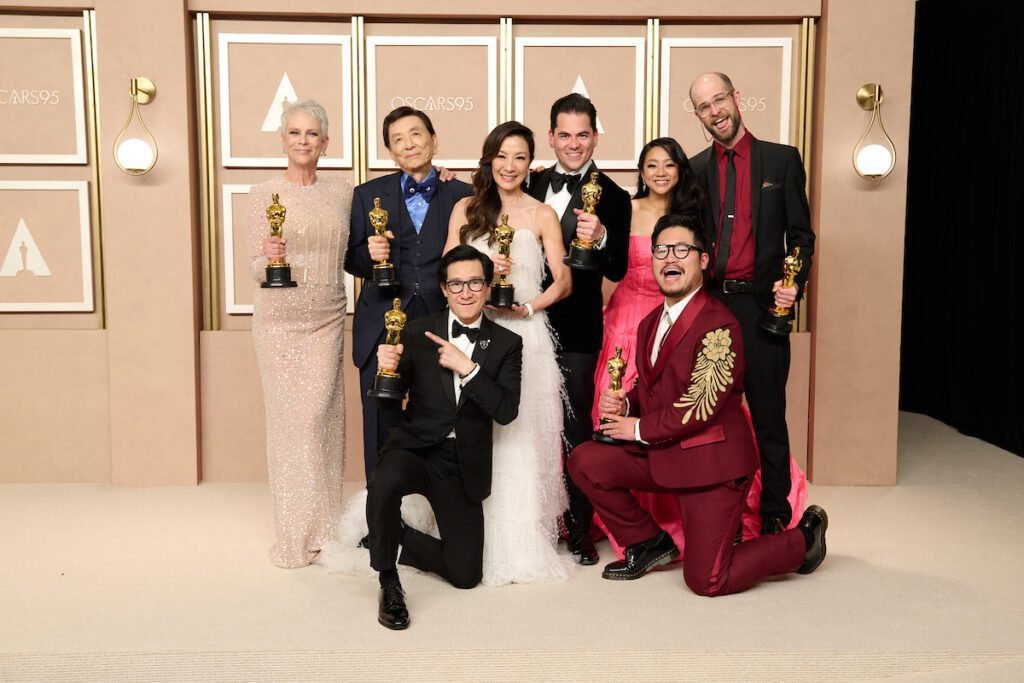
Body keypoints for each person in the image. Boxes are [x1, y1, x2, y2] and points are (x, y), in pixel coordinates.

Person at [569, 214, 828, 596]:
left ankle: (804, 541)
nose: (669, 258)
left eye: (681, 249)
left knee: (707, 580)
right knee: (585, 460)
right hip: (663, 453)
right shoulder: (649, 323)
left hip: (710, 464)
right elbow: (651, 386)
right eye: (661, 250)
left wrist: (635, 428)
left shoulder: (719, 324)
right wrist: (626, 405)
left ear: (704, 259)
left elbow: (701, 403)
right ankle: (649, 543)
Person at [445, 121, 575, 585]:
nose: (509, 166)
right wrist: (481, 269)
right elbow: (447, 269)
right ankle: (469, 531)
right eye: (502, 156)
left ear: (530, 163)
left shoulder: (542, 214)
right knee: (475, 433)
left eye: (519, 157)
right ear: (489, 159)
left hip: (525, 335)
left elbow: (564, 281)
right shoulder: (465, 207)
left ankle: (520, 537)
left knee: (521, 437)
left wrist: (526, 306)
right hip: (473, 333)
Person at [367, 245, 523, 629]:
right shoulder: (417, 330)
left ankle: (392, 535)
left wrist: (468, 369)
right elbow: (393, 391)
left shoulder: (507, 344)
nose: (465, 291)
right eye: (456, 283)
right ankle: (388, 580)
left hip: (460, 462)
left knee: (466, 575)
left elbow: (505, 410)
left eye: (474, 282)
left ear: (488, 287)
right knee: (383, 483)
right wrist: (385, 369)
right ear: (444, 288)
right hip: (416, 446)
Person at [688, 72, 816, 535]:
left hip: (763, 310)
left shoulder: (781, 161)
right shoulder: (696, 168)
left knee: (767, 415)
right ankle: (718, 510)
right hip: (711, 307)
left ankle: (775, 513)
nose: (714, 111)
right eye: (704, 106)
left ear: (736, 98)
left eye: (719, 99)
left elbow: (801, 235)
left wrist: (794, 283)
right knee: (710, 414)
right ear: (699, 115)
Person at [247, 99, 352, 568]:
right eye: (294, 133)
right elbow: (253, 265)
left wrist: (445, 176)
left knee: (320, 423)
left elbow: (383, 218)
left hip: (327, 318)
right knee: (290, 426)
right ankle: (293, 531)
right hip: (279, 323)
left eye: (312, 133)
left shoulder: (344, 194)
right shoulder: (260, 194)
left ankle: (325, 530)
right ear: (283, 140)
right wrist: (265, 253)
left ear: (325, 143)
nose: (303, 141)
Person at [527, 93, 631, 564]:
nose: (573, 144)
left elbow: (620, 269)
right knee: (526, 426)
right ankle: (533, 521)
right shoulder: (525, 181)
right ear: (550, 137)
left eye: (582, 134)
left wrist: (603, 235)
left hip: (577, 330)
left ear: (595, 137)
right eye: (564, 135)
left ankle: (581, 527)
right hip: (523, 324)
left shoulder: (614, 196)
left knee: (576, 430)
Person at [345, 107, 472, 483]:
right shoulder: (367, 195)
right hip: (379, 324)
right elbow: (352, 259)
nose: (409, 144)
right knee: (380, 421)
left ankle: (432, 515)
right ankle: (382, 519)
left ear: (433, 140)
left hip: (441, 321)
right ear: (390, 151)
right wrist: (370, 256)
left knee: (436, 416)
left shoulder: (463, 194)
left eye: (416, 134)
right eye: (397, 139)